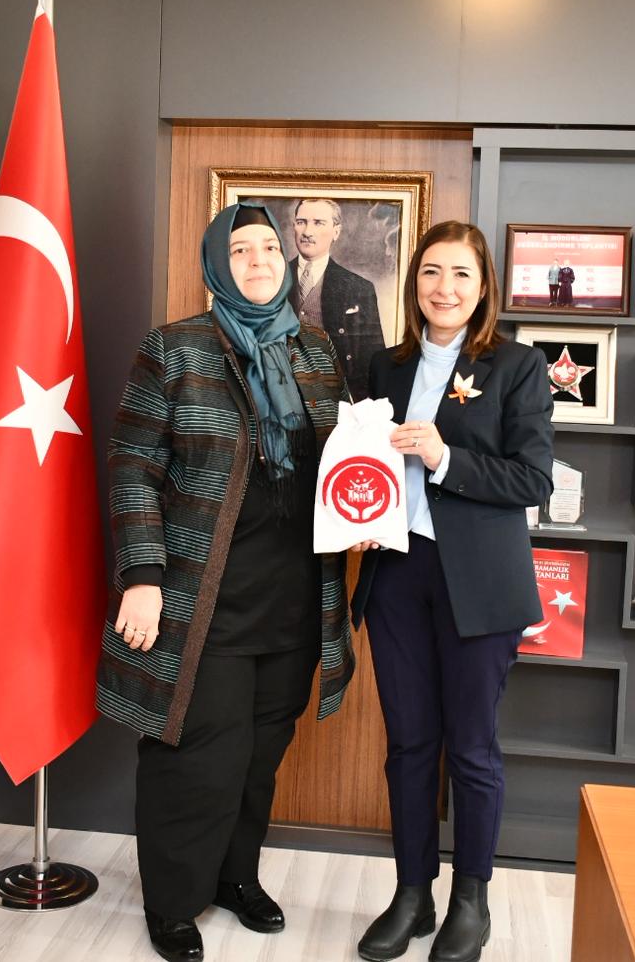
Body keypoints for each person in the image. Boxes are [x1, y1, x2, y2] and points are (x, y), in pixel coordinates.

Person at [97, 201, 357, 962]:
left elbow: (347, 462)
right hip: (200, 598)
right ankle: (175, 901)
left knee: (259, 754)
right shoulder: (174, 349)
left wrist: (367, 508)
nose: (259, 260)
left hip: (296, 599)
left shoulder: (315, 351)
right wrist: (142, 576)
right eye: (241, 250)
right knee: (196, 756)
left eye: (269, 247)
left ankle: (237, 877)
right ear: (217, 265)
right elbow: (133, 467)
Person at [349, 220, 555, 962]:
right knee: (409, 744)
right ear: (414, 285)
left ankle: (472, 899)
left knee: (471, 747)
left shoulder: (518, 366)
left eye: (461, 274)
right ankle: (412, 893)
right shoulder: (384, 366)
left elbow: (532, 479)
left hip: (480, 583)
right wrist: (359, 517)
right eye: (431, 272)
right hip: (397, 575)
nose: (445, 288)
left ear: (483, 285)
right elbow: (362, 460)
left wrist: (444, 457)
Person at [289, 197, 386, 399]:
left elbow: (372, 360)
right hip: (282, 399)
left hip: (337, 401)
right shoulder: (273, 279)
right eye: (301, 222)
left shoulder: (358, 288)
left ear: (336, 231)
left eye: (318, 223)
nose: (307, 232)